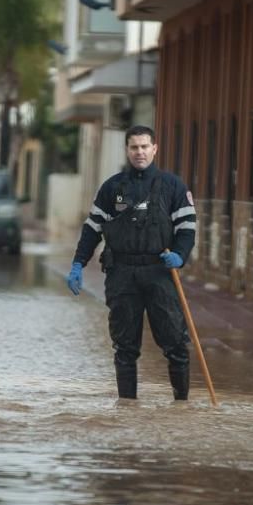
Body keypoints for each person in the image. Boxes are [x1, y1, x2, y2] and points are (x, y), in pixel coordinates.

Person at [67, 125, 197, 400]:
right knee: (124, 347)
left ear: (154, 149)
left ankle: (182, 406)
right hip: (122, 274)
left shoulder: (173, 187)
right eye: (134, 147)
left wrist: (180, 256)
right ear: (127, 150)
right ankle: (127, 408)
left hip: (160, 273)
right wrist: (78, 263)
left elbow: (187, 228)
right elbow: (92, 228)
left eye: (144, 146)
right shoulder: (112, 187)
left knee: (175, 343)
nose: (139, 152)